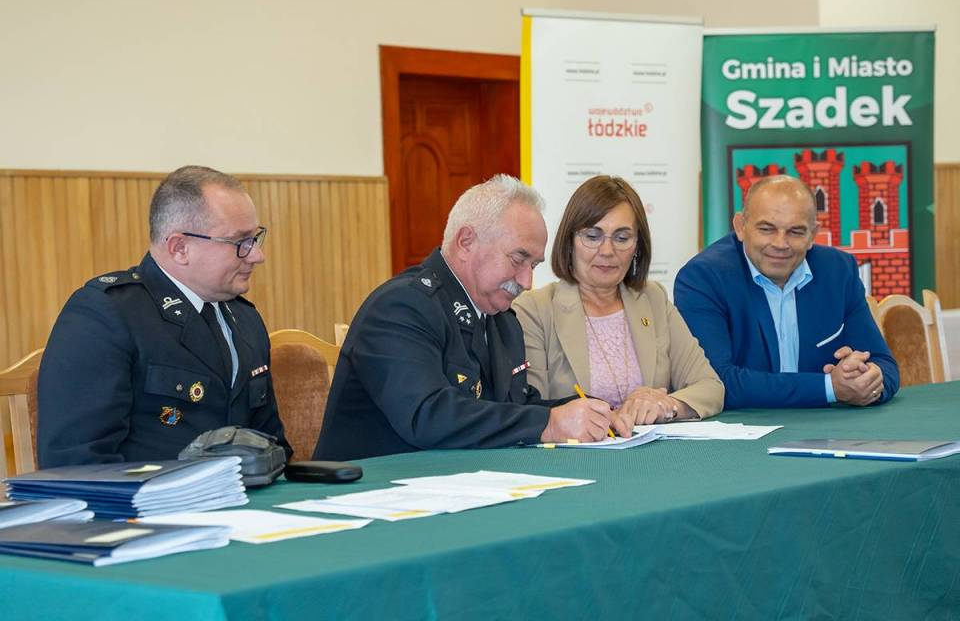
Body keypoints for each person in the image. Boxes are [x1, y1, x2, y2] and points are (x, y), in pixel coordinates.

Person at [313, 175, 632, 461]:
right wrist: (548, 424)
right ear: (466, 242)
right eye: (518, 259)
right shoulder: (400, 307)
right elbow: (428, 415)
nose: (526, 282)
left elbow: (515, 407)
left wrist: (590, 411)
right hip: (372, 495)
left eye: (533, 266)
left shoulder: (502, 320)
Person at [37, 165, 290, 467]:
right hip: (149, 497)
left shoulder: (244, 318)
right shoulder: (107, 314)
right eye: (240, 243)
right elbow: (76, 464)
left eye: (255, 238)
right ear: (180, 248)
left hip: (244, 495)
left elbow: (273, 447)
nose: (257, 255)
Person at [674, 174, 899, 410]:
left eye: (796, 232)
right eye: (766, 229)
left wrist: (866, 377)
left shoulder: (839, 271)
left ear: (813, 234)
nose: (780, 244)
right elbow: (716, 382)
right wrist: (830, 388)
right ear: (740, 227)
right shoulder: (703, 277)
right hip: (745, 426)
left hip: (827, 426)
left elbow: (883, 363)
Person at [513, 176, 723, 424]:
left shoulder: (652, 299)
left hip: (652, 447)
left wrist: (666, 406)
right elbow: (529, 407)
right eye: (593, 236)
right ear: (570, 242)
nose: (607, 251)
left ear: (637, 247)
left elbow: (710, 387)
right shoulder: (534, 310)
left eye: (622, 238)